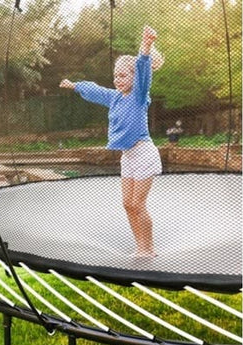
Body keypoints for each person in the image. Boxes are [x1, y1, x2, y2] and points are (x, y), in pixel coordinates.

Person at [59, 26, 164, 257]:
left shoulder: (139, 94)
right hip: (128, 157)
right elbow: (95, 90)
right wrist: (76, 85)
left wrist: (145, 47)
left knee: (138, 204)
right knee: (127, 204)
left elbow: (144, 70)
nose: (118, 79)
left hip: (144, 153)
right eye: (115, 75)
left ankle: (149, 249)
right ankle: (140, 247)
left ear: (134, 77)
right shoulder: (114, 97)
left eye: (123, 75)